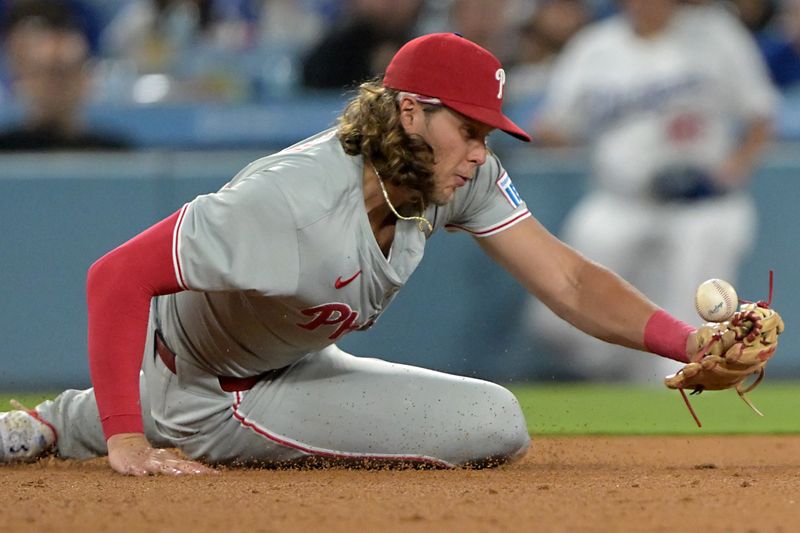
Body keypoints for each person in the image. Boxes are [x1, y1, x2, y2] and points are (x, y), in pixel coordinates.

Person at [1, 33, 706, 475]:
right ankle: (119, 419)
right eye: (468, 129)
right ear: (410, 112)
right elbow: (114, 276)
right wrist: (127, 442)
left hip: (293, 359)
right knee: (495, 425)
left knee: (494, 416)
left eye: (488, 134)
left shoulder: (449, 173)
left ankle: (58, 422)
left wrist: (689, 341)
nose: (479, 153)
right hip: (220, 390)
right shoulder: (290, 203)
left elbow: (571, 279)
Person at [525, 0, 778, 382]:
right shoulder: (596, 47)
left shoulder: (715, 33)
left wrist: (733, 169)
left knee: (690, 328)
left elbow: (760, 114)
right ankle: (625, 374)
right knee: (555, 324)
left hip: (702, 207)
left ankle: (671, 412)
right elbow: (556, 125)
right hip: (621, 203)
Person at [0, 0, 129, 150]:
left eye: (64, 73)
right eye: (47, 73)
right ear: (22, 78)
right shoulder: (5, 150)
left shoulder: (115, 153)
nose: (55, 86)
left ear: (86, 78)